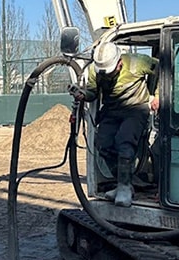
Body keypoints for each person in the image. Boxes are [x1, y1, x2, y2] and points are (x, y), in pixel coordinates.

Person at [68, 42, 159, 207]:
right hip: (112, 110)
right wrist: (83, 94)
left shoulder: (137, 62)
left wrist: (157, 94)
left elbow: (161, 68)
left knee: (124, 142)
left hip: (135, 109)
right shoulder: (96, 71)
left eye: (111, 72)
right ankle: (124, 183)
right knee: (102, 144)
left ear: (120, 63)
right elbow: (93, 93)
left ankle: (124, 187)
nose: (108, 77)